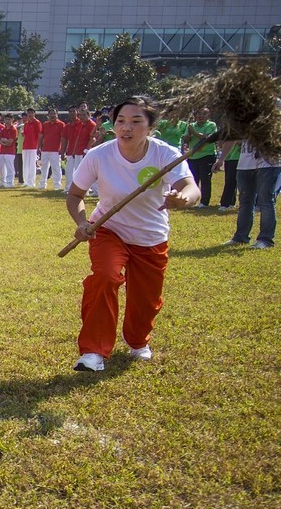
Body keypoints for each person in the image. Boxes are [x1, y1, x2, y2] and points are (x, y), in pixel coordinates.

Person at [66, 96, 199, 372]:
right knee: (104, 277)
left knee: (146, 299)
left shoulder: (165, 154)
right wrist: (81, 221)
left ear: (151, 127)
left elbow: (191, 188)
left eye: (136, 122)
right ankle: (93, 351)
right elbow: (76, 194)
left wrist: (183, 198)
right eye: (121, 121)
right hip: (107, 230)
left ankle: (137, 340)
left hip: (151, 236)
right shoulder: (99, 155)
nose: (126, 128)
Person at [224, 140, 280, 249]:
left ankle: (265, 239)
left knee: (265, 201)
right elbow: (231, 137)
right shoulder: (240, 123)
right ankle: (240, 237)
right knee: (245, 202)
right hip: (244, 165)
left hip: (268, 164)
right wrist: (221, 159)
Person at [185, 108, 217, 208]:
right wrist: (189, 134)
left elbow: (205, 138)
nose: (201, 116)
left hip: (207, 156)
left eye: (204, 114)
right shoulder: (191, 125)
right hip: (193, 156)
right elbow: (186, 139)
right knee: (193, 180)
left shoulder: (211, 125)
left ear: (208, 115)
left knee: (205, 179)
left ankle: (204, 202)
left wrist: (193, 132)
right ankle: (192, 201)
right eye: (198, 113)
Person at [38, 107, 65, 190]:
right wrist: (39, 146)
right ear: (48, 115)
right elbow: (42, 136)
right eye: (51, 114)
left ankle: (57, 185)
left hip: (56, 150)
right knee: (44, 168)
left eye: (54, 114)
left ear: (57, 115)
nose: (52, 115)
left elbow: (63, 138)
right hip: (45, 150)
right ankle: (42, 184)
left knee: (56, 168)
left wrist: (63, 149)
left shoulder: (61, 124)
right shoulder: (45, 124)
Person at [213, 139, 240, 211]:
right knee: (230, 181)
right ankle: (226, 203)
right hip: (232, 157)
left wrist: (238, 141)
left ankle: (246, 205)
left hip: (244, 159)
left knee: (245, 184)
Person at [22, 108, 42, 188]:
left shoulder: (37, 122)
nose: (30, 114)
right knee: (25, 164)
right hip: (25, 146)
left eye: (31, 113)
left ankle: (31, 182)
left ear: (34, 113)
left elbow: (40, 134)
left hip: (33, 146)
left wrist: (38, 146)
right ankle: (26, 181)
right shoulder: (26, 123)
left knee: (32, 165)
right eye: (28, 113)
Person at [0, 114, 18, 188]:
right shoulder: (3, 129)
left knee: (9, 167)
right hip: (2, 151)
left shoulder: (13, 129)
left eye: (9, 119)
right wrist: (4, 142)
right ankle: (3, 182)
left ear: (12, 120)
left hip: (10, 152)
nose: (7, 121)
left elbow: (10, 142)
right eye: (6, 119)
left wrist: (4, 141)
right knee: (1, 167)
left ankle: (10, 182)